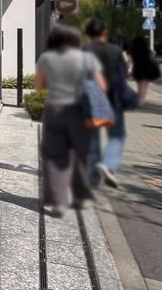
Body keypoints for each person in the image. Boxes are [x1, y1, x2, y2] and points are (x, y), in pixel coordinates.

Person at [35, 24, 107, 217]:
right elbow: (101, 86)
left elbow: (39, 87)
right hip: (80, 111)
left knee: (54, 156)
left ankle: (57, 202)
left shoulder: (46, 58)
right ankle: (83, 198)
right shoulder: (87, 58)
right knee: (82, 155)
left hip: (54, 109)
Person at [84, 18, 129, 189]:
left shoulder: (84, 51)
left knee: (93, 138)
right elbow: (124, 73)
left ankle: (93, 178)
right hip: (113, 99)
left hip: (91, 99)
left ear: (88, 34)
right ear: (104, 32)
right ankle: (108, 164)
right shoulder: (115, 50)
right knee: (117, 135)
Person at [129, 35, 161, 103]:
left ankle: (139, 99)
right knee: (144, 86)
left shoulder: (133, 50)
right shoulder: (147, 50)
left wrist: (125, 68)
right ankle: (141, 100)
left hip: (137, 70)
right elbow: (154, 59)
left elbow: (129, 61)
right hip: (146, 70)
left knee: (140, 85)